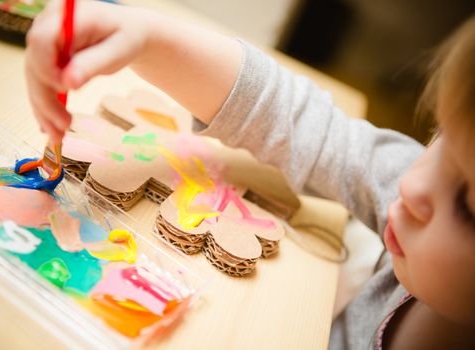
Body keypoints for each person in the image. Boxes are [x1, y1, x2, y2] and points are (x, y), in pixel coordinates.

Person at [25, 1, 475, 348]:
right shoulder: (405, 178)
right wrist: (147, 39)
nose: (412, 184)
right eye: (439, 135)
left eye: (468, 205)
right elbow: (295, 121)